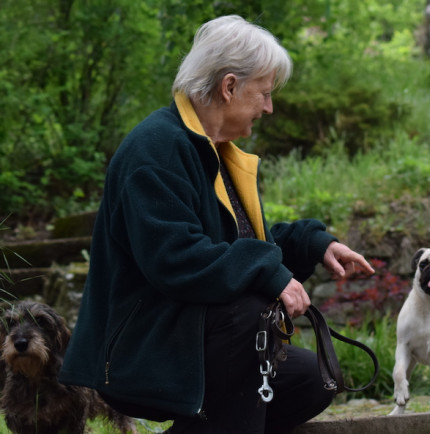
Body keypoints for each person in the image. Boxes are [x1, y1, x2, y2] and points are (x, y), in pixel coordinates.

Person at [59, 15, 375, 434]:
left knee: (312, 379)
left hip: (192, 335)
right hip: (145, 346)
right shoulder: (155, 149)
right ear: (229, 87)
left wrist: (313, 243)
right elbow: (179, 258)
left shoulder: (212, 149)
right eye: (263, 93)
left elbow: (239, 242)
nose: (269, 107)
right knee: (249, 317)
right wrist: (268, 272)